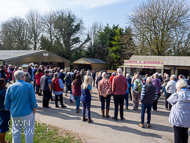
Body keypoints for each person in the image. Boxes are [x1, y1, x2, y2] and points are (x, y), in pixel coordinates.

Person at [4, 70, 37, 143]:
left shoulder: (10, 87)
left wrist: (9, 109)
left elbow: (6, 102)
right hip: (27, 113)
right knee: (28, 131)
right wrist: (34, 108)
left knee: (16, 131)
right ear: (23, 77)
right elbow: (33, 100)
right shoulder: (29, 85)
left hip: (15, 113)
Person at [0, 79, 10, 143]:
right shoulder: (3, 91)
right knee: (3, 126)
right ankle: (2, 141)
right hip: (4, 111)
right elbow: (8, 101)